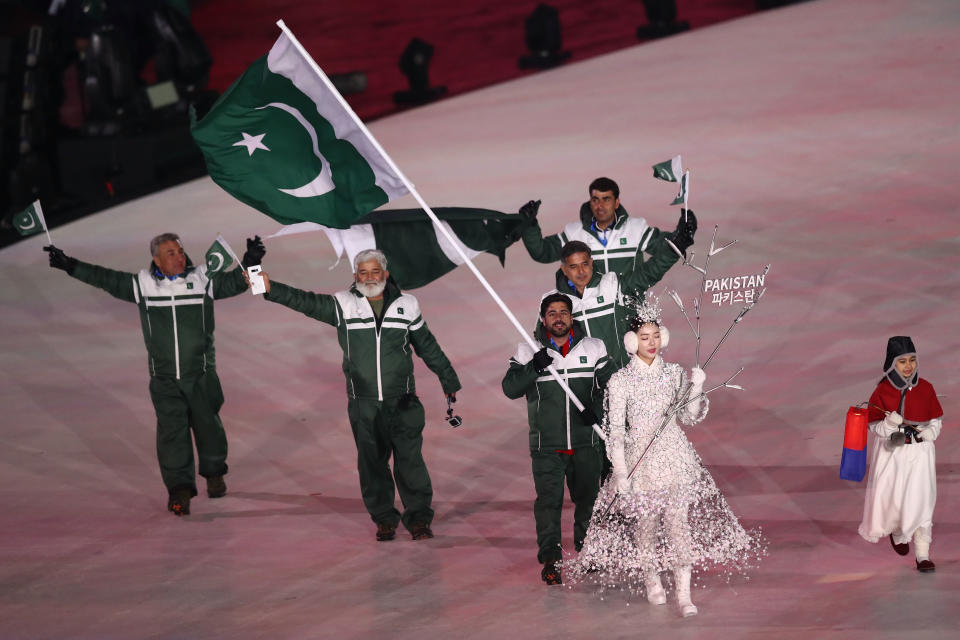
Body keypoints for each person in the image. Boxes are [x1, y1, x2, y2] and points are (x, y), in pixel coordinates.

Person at [43, 233, 264, 515]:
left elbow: (238, 284)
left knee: (209, 430)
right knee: (172, 434)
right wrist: (70, 265)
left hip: (201, 375)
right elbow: (106, 279)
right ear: (156, 260)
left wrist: (251, 263)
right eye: (170, 253)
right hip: (164, 379)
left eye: (181, 251)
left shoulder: (202, 278)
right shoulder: (143, 285)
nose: (179, 256)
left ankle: (214, 473)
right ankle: (179, 491)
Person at [566, 302, 762, 616]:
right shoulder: (621, 382)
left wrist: (696, 387)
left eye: (656, 335)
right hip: (640, 461)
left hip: (674, 457)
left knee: (678, 526)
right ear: (632, 341)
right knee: (646, 525)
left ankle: (684, 595)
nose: (652, 342)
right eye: (645, 337)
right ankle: (651, 578)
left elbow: (690, 415)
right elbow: (615, 430)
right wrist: (621, 471)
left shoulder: (673, 374)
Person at [259, 249, 460, 542]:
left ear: (386, 274)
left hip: (402, 401)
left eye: (374, 272)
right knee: (371, 462)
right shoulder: (343, 305)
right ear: (355, 276)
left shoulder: (407, 305)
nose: (369, 278)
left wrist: (448, 377)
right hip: (363, 404)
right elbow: (304, 301)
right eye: (362, 273)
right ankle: (384, 519)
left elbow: (426, 344)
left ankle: (418, 520)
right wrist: (266, 286)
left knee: (410, 462)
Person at [501, 293, 615, 585]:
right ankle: (550, 560)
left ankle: (587, 551)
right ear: (543, 319)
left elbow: (612, 387)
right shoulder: (528, 351)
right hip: (546, 446)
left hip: (586, 442)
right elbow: (510, 388)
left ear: (571, 317)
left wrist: (596, 408)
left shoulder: (594, 348)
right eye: (552, 313)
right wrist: (533, 368)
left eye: (564, 312)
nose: (559, 318)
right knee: (548, 504)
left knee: (589, 500)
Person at [858, 336, 943, 572]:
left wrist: (931, 432)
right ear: (892, 363)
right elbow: (874, 426)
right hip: (893, 455)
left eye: (912, 360)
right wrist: (888, 423)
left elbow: (935, 417)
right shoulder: (882, 390)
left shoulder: (926, 388)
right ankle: (897, 532)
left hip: (921, 454)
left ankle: (922, 555)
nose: (908, 366)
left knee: (922, 501)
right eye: (902, 361)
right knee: (895, 500)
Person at [518, 176, 697, 276]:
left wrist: (681, 235)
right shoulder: (574, 233)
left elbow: (664, 247)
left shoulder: (635, 228)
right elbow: (542, 252)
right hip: (592, 312)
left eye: (606, 199)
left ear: (616, 202)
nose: (600, 206)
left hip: (629, 311)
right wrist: (529, 225)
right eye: (595, 200)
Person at [543, 239, 678, 370]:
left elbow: (646, 274)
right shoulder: (554, 303)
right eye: (573, 266)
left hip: (623, 376)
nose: (581, 271)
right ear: (564, 269)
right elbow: (544, 340)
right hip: (586, 385)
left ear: (591, 262)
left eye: (584, 264)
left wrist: (674, 249)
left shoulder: (612, 285)